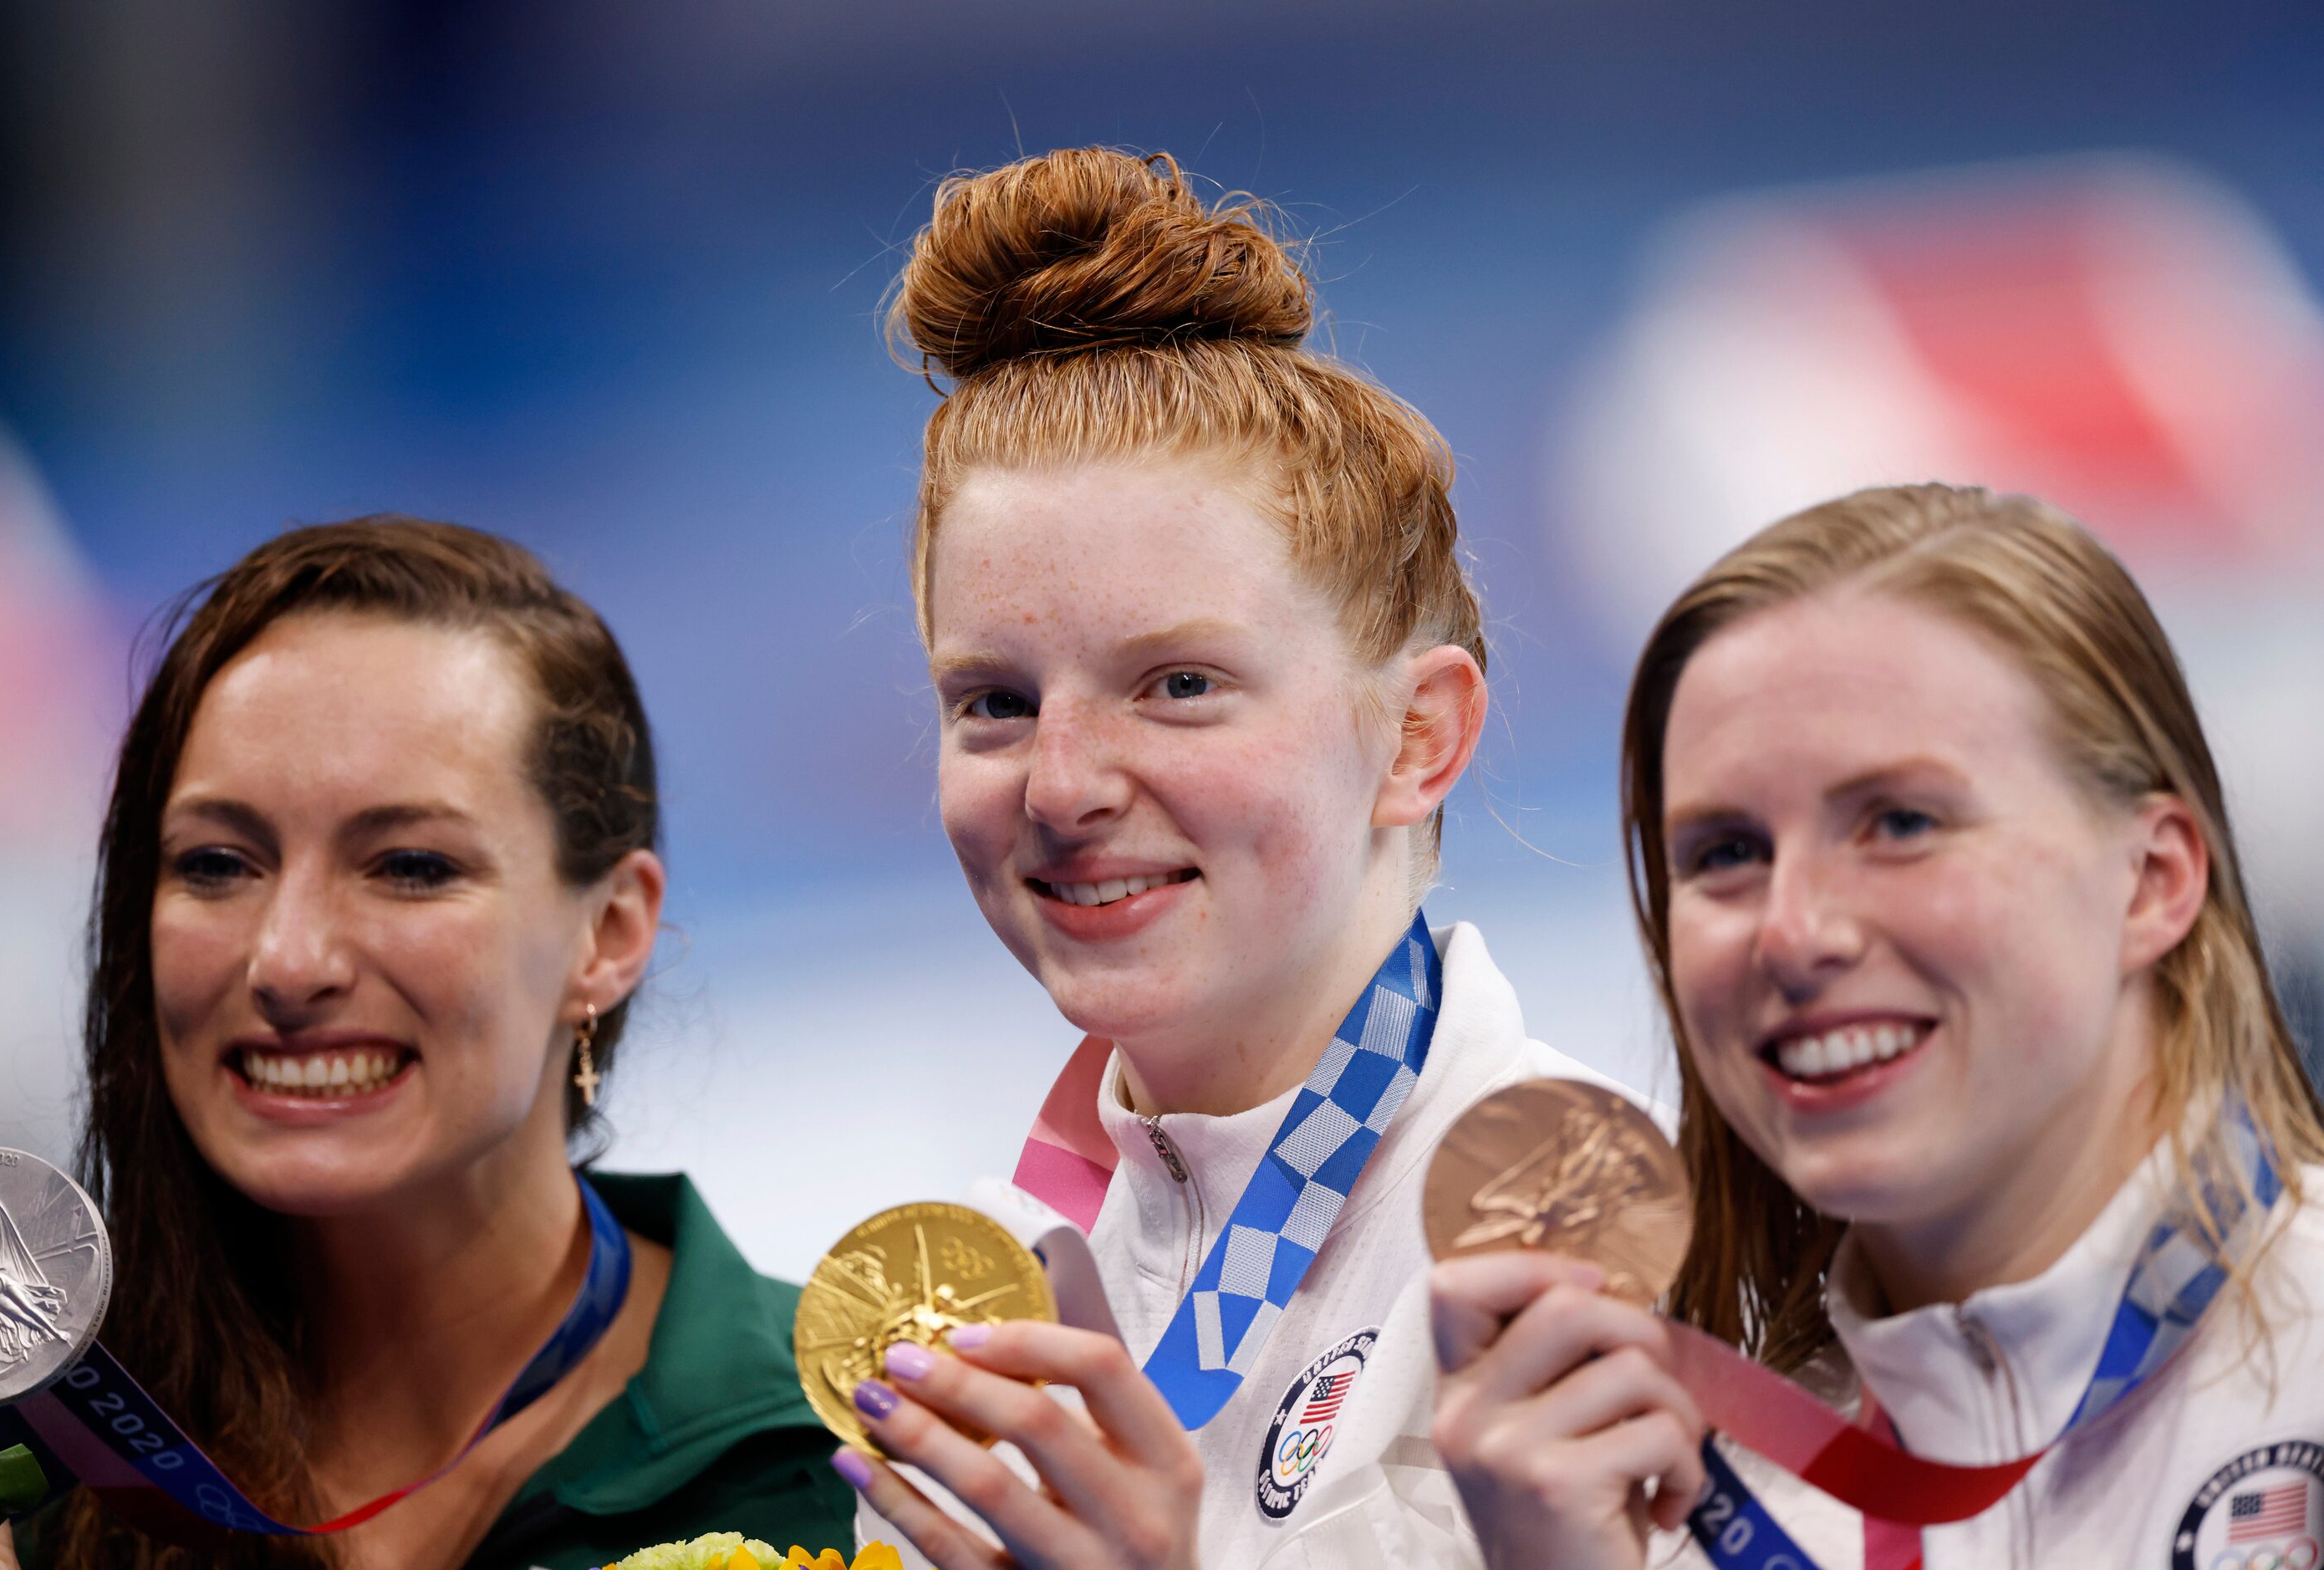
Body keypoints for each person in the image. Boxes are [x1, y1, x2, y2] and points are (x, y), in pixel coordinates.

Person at [829, 147, 1633, 1570]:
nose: (1063, 786)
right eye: (995, 702)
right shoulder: (1007, 1285)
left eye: (1179, 683)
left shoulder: (1587, 1256)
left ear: (1416, 736)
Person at [1428, 483, 2324, 1568]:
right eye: (1725, 852)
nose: (1793, 932)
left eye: (1901, 822)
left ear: (2150, 880)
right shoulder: (1669, 1518)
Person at [0, 520, 850, 1570]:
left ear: (609, 933)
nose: (287, 961)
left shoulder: (844, 1464)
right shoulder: (26, 1443)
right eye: (217, 862)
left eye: (409, 867)